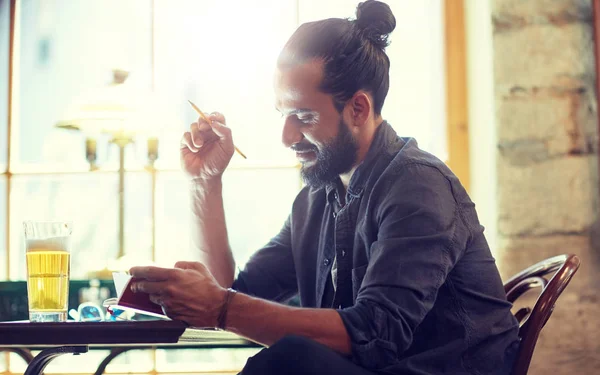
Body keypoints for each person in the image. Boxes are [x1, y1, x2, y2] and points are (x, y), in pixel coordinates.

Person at [130, 1, 520, 374]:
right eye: (283, 115)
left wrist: (221, 307)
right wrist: (205, 183)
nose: (286, 136)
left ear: (358, 109)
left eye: (303, 116)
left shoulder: (418, 187)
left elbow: (376, 333)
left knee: (292, 359)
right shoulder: (317, 198)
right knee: (292, 356)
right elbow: (235, 290)